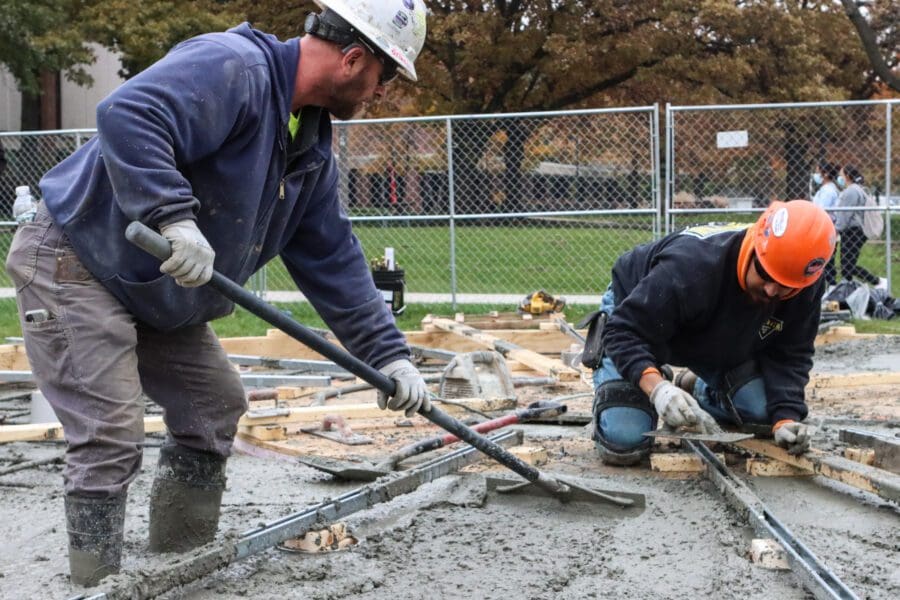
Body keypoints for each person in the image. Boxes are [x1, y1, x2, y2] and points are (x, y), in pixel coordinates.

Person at [5, 0, 429, 587]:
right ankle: (94, 585)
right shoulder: (233, 67)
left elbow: (332, 257)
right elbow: (128, 113)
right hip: (75, 258)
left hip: (153, 282)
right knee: (110, 433)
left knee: (213, 405)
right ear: (355, 58)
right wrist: (172, 216)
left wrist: (389, 355)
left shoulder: (307, 144)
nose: (380, 93)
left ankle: (179, 566)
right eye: (385, 76)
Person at [588, 200, 835, 466]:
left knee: (763, 413)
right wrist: (657, 389)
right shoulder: (691, 266)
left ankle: (695, 387)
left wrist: (785, 418)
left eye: (786, 286)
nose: (772, 291)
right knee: (624, 440)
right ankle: (644, 386)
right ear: (754, 247)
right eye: (765, 274)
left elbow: (791, 353)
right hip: (639, 318)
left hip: (714, 329)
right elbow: (622, 331)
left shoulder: (804, 283)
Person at [835, 165, 883, 288]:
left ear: (847, 176)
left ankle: (876, 281)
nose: (839, 178)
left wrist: (836, 229)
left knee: (847, 265)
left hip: (852, 231)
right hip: (855, 231)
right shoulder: (858, 189)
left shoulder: (851, 191)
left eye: (841, 175)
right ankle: (850, 288)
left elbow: (845, 214)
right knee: (848, 265)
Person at [811, 161, 840, 286]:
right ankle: (829, 286)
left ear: (826, 174)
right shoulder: (825, 189)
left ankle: (831, 286)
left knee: (826, 262)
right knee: (826, 262)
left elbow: (821, 211)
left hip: (825, 230)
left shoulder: (828, 191)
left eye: (818, 172)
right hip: (823, 230)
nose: (816, 175)